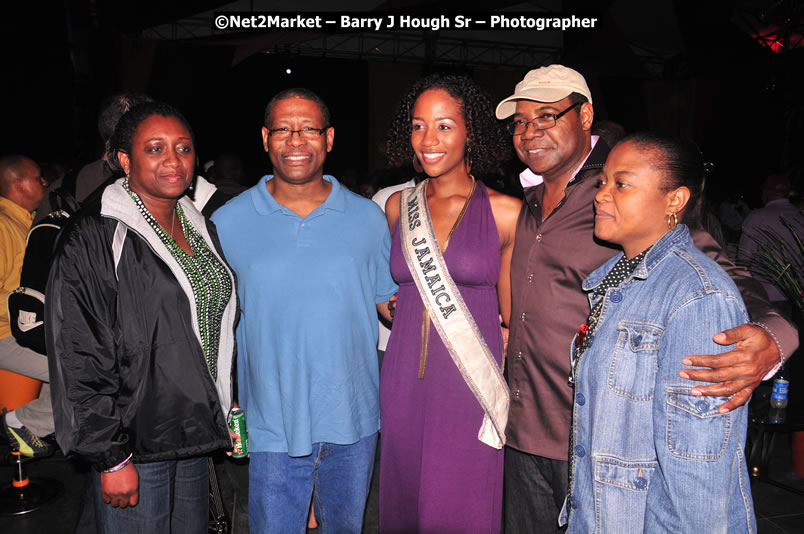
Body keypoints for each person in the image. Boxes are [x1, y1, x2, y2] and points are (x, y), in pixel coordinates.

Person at [495, 64, 798, 532]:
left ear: (585, 115)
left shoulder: (628, 193)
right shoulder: (528, 201)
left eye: (546, 116)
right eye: (519, 121)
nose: (529, 132)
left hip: (595, 443)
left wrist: (776, 336)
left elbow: (714, 273)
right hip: (521, 429)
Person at [46, 102, 238, 533]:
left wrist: (226, 395)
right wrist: (110, 455)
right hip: (136, 441)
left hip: (192, 432)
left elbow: (210, 324)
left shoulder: (195, 223)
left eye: (184, 148)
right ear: (125, 160)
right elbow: (79, 351)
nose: (173, 160)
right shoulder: (94, 234)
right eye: (155, 149)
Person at [211, 88, 397, 534]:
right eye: (283, 129)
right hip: (271, 419)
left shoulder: (367, 217)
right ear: (264, 138)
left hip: (353, 417)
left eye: (309, 128)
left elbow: (388, 304)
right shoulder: (226, 222)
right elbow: (216, 323)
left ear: (329, 138)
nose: (296, 140)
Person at [563, 132, 755, 532]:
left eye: (622, 183)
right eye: (602, 182)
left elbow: (697, 469)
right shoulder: (621, 278)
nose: (601, 195)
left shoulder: (697, 296)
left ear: (675, 200)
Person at [379, 74, 521, 533]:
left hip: (468, 383)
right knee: (405, 498)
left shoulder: (505, 212)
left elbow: (515, 318)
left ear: (470, 131)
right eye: (418, 126)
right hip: (402, 379)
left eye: (444, 126)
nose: (428, 140)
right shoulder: (399, 207)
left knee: (461, 505)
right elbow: (395, 290)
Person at [0, 154, 53, 458]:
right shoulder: (4, 226)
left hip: (23, 330)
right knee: (79, 370)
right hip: (6, 334)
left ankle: (35, 423)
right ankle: (20, 422)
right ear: (19, 184)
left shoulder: (27, 222)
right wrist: (28, 315)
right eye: (37, 177)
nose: (44, 182)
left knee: (81, 356)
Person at [738, 172, 804, 313]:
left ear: (766, 192)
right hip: (798, 296)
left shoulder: (757, 217)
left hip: (767, 296)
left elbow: (744, 261)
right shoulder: (800, 216)